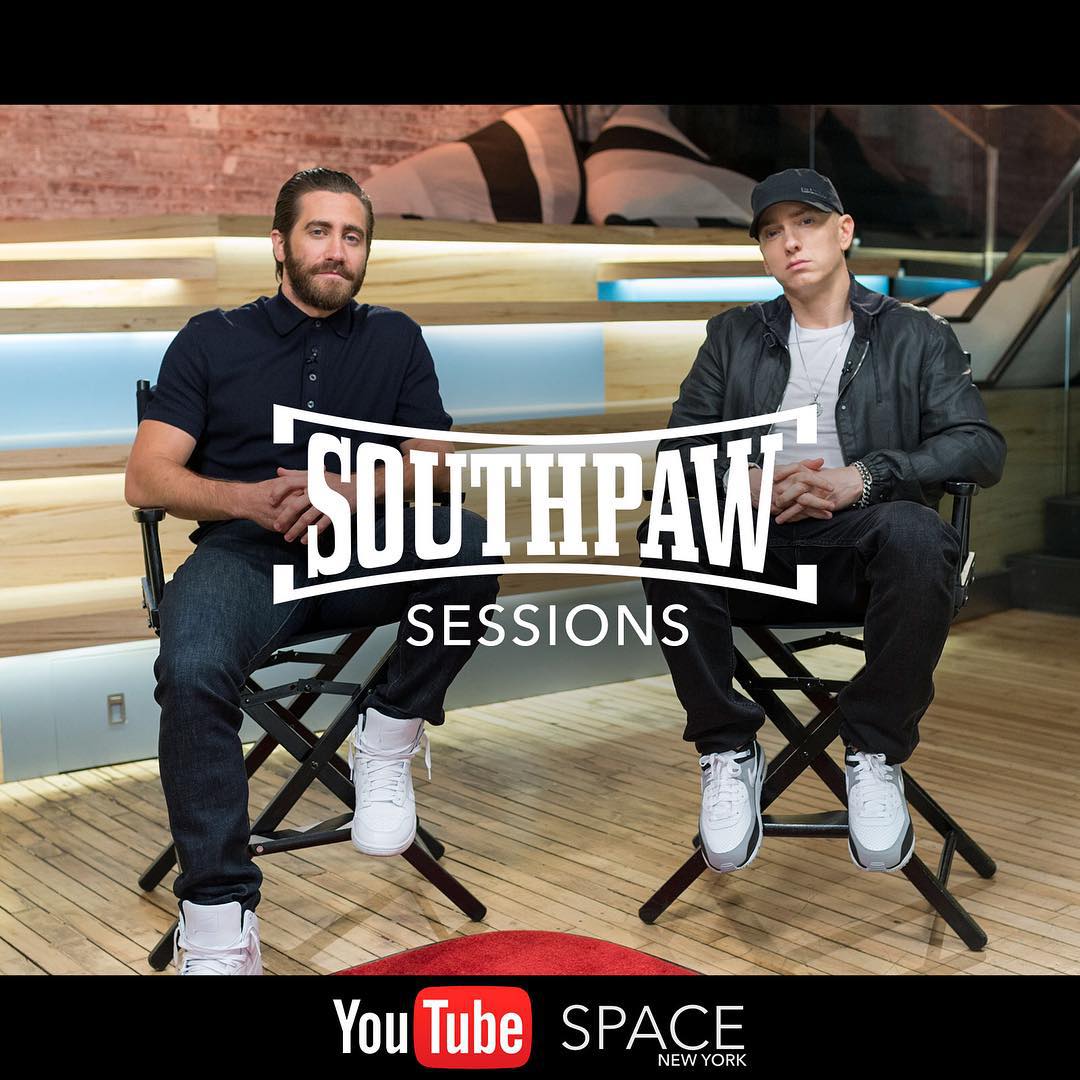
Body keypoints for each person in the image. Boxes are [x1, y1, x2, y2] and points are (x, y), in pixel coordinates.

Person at [125, 167, 500, 974]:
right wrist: (246, 500)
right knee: (189, 669)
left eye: (352, 236)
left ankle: (387, 736)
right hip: (244, 558)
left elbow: (437, 462)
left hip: (363, 550)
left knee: (468, 544)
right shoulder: (210, 338)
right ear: (280, 244)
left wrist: (350, 489)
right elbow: (146, 478)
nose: (337, 251)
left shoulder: (395, 337)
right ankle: (218, 917)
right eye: (319, 232)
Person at [640, 168, 1006, 877]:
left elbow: (978, 447)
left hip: (865, 549)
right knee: (667, 529)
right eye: (771, 232)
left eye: (806, 223)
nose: (789, 242)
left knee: (916, 531)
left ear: (844, 232)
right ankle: (726, 750)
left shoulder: (917, 334)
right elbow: (681, 451)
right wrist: (744, 483)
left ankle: (874, 752)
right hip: (754, 549)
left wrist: (863, 478)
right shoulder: (732, 336)